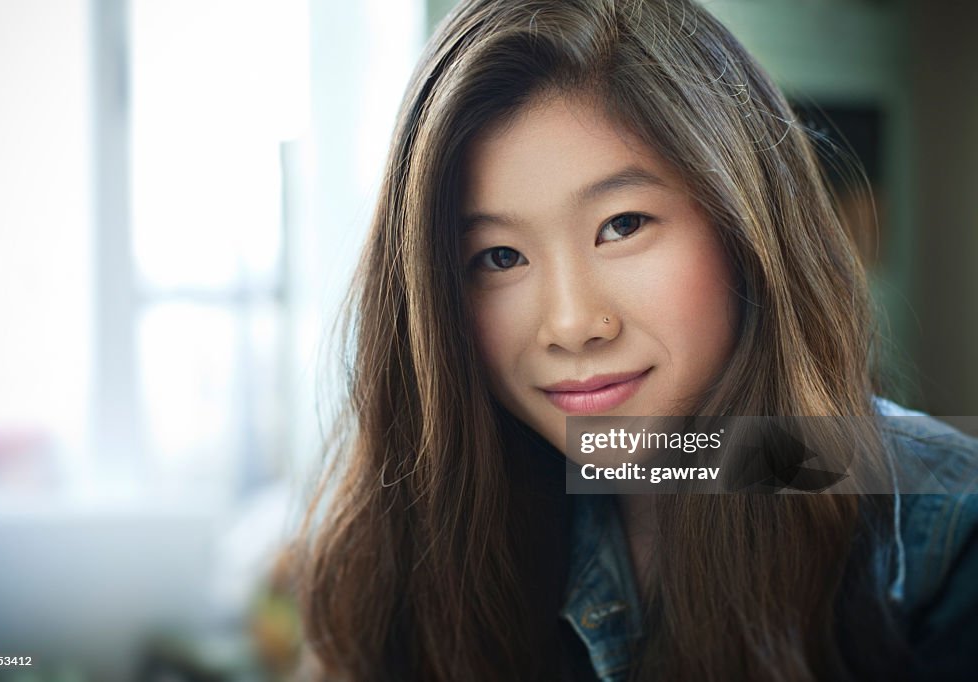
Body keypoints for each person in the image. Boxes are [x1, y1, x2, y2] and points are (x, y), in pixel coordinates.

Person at [290, 0, 978, 680]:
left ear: (742, 224)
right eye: (499, 257)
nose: (571, 323)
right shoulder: (423, 532)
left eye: (622, 225)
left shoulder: (939, 534)